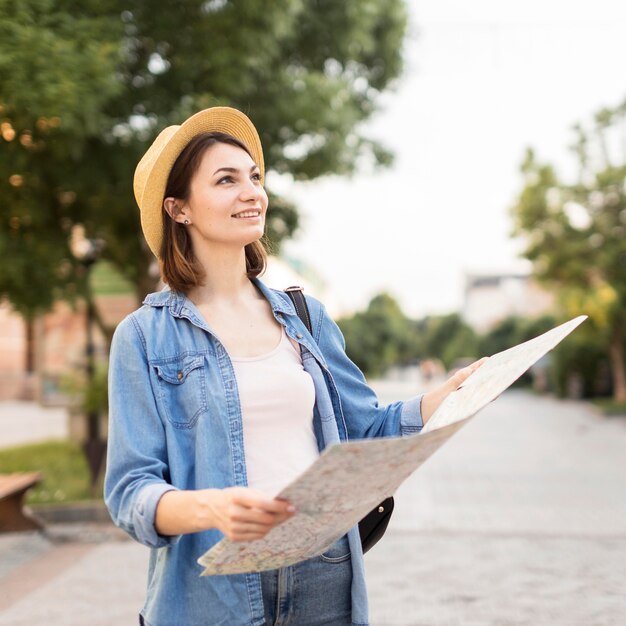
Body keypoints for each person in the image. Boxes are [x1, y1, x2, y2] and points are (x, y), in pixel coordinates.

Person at [104, 106, 485, 626]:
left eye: (255, 178)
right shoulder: (144, 337)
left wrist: (449, 396)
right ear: (179, 209)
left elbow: (366, 431)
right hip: (210, 591)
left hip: (324, 571)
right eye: (226, 180)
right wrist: (212, 508)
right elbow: (130, 491)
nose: (252, 192)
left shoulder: (305, 317)